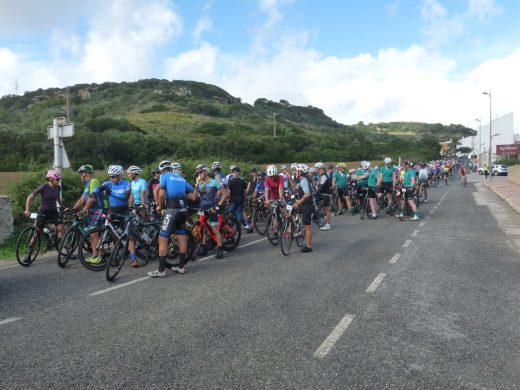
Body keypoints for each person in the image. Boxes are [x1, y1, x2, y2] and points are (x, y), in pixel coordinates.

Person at [148, 161, 195, 277]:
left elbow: (161, 194)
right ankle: (181, 267)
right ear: (170, 168)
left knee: (162, 239)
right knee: (181, 237)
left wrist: (160, 206)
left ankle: (161, 270)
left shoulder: (164, 176)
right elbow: (194, 195)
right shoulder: (180, 177)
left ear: (161, 170)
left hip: (172, 210)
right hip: (184, 210)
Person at [87, 165, 138, 266]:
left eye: (113, 177)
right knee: (114, 237)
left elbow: (124, 198)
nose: (111, 179)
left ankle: (134, 259)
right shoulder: (107, 184)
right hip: (113, 212)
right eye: (110, 176)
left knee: (129, 236)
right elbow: (98, 189)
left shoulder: (127, 184)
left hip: (124, 212)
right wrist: (93, 193)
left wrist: (111, 193)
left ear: (119, 176)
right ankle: (116, 257)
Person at [70, 164, 105, 263]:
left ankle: (101, 255)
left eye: (81, 174)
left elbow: (91, 198)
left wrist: (83, 210)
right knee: (92, 235)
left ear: (84, 173)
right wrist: (73, 209)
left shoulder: (93, 181)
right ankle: (95, 256)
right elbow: (82, 199)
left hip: (98, 210)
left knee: (94, 234)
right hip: (92, 211)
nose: (81, 176)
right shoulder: (87, 184)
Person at [194, 164, 228, 259]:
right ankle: (204, 247)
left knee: (214, 229)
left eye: (200, 172)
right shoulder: (199, 184)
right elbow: (194, 198)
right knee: (202, 228)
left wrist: (218, 205)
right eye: (197, 173)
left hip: (212, 208)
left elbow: (225, 193)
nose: (199, 174)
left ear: (205, 172)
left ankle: (220, 249)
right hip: (202, 209)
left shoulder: (214, 182)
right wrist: (196, 187)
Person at [24, 169, 66, 243]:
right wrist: (27, 210)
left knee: (61, 229)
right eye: (57, 179)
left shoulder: (58, 188)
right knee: (37, 232)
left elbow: (57, 198)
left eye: (59, 179)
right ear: (51, 179)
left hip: (53, 211)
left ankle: (67, 248)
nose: (59, 181)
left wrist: (63, 207)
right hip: (43, 211)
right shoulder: (43, 187)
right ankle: (30, 248)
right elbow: (29, 197)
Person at [293, 164, 313, 253]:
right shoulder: (302, 180)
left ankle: (309, 246)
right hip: (305, 205)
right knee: (292, 210)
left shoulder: (304, 181)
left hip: (306, 206)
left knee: (307, 227)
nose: (294, 172)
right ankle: (296, 228)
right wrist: (290, 179)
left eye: (296, 170)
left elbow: (307, 194)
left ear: (300, 172)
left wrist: (299, 202)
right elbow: (295, 187)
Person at [227, 166, 251, 231]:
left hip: (232, 200)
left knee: (229, 212)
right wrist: (244, 197)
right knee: (239, 214)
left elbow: (229, 192)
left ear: (232, 173)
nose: (234, 173)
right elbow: (245, 191)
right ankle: (238, 228)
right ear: (239, 173)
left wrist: (228, 198)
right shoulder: (242, 181)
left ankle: (230, 226)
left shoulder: (230, 181)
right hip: (240, 200)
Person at [315, 162, 332, 230]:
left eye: (316, 168)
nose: (316, 170)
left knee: (327, 210)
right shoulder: (324, 175)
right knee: (326, 210)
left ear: (319, 168)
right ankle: (327, 224)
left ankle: (328, 225)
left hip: (325, 195)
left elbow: (321, 188)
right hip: (326, 195)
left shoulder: (324, 176)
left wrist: (315, 193)